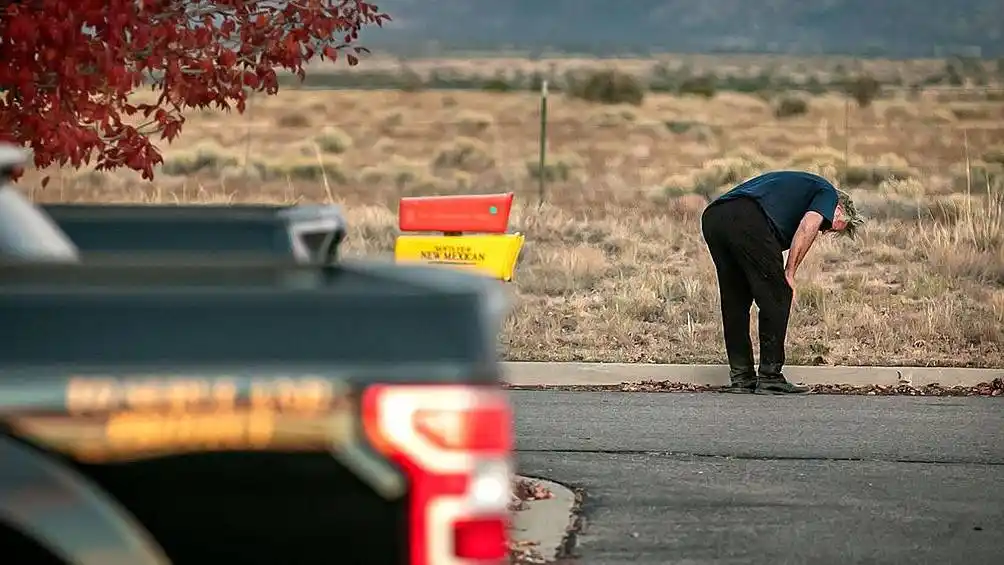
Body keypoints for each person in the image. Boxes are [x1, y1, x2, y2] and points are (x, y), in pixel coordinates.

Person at [700, 171, 863, 395]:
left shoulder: (799, 190)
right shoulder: (828, 193)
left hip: (714, 217)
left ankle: (742, 378)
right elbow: (807, 226)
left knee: (736, 300)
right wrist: (790, 272)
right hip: (746, 217)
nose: (825, 230)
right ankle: (770, 378)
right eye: (830, 226)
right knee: (778, 295)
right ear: (839, 209)